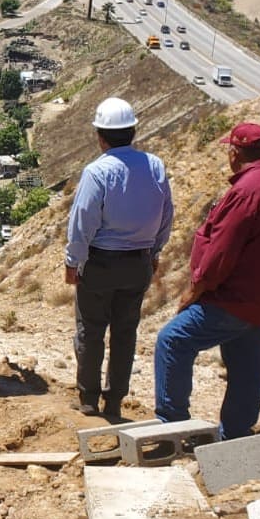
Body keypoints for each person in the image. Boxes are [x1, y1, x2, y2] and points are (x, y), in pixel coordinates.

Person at [153, 122, 260, 439]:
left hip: (233, 298)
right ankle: (236, 433)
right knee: (246, 360)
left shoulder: (246, 192)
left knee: (173, 340)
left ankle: (173, 426)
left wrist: (194, 290)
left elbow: (221, 252)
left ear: (235, 152)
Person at [65, 98, 174, 419]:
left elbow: (83, 220)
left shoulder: (97, 172)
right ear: (133, 131)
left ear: (100, 136)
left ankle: (88, 399)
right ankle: (114, 402)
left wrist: (73, 261)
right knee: (125, 334)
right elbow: (167, 213)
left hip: (100, 263)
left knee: (90, 330)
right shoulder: (155, 165)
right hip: (137, 263)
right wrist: (155, 251)